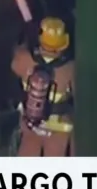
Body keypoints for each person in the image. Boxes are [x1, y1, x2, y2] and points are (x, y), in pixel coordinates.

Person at [12, 17, 75, 157]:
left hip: (31, 126)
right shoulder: (70, 68)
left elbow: (15, 60)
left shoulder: (23, 58)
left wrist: (26, 42)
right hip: (59, 130)